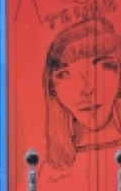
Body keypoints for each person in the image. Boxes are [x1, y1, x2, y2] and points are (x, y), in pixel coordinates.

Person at [42, 17, 121, 173]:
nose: (87, 90)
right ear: (52, 89)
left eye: (105, 65)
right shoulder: (49, 171)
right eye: (64, 74)